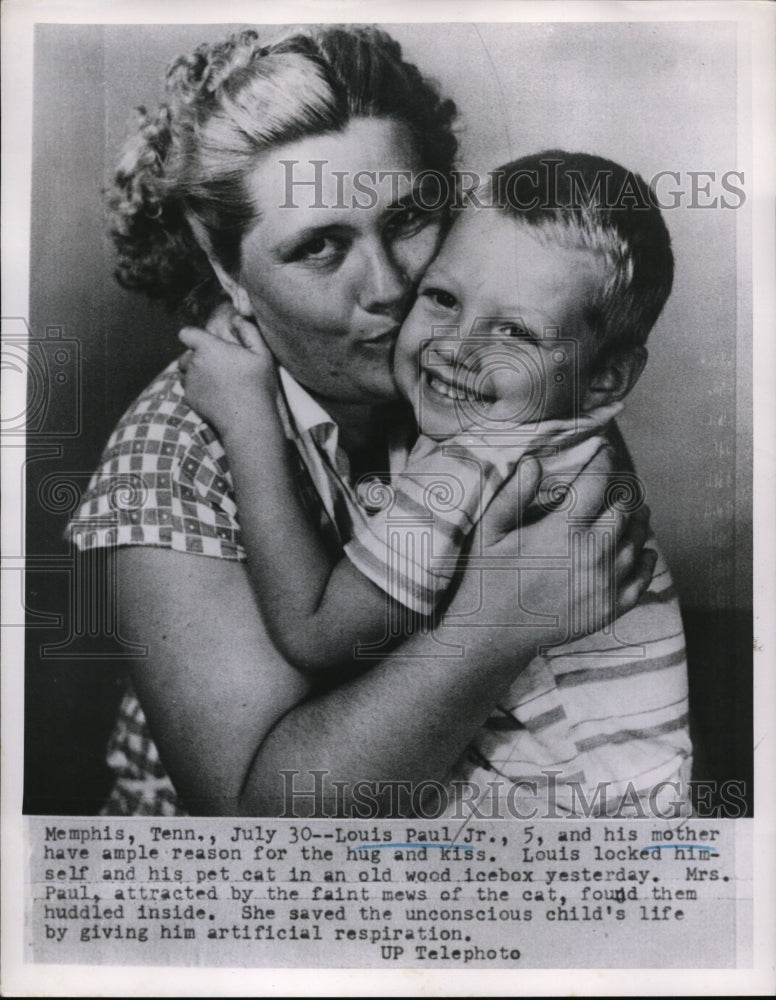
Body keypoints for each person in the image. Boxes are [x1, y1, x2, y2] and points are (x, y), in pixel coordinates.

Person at [67, 26, 655, 818]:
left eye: (411, 218)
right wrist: (496, 626)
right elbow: (256, 816)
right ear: (224, 267)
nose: (388, 287)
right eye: (319, 247)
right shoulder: (172, 452)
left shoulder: (474, 372)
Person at [179, 151, 692, 817]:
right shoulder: (572, 427)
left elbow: (316, 632)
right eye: (443, 298)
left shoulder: (480, 458)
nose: (456, 346)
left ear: (607, 379)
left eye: (514, 331)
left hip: (552, 820)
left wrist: (248, 419)